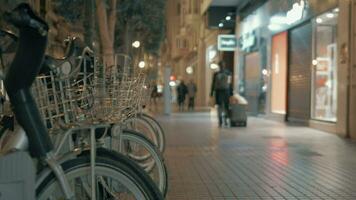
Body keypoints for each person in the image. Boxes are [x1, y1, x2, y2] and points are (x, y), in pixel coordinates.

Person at [210, 61, 233, 127]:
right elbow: (229, 83)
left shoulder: (216, 74)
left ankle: (221, 120)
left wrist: (211, 93)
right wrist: (231, 93)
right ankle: (224, 120)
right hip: (226, 91)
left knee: (221, 106)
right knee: (225, 106)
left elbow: (213, 84)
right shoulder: (228, 73)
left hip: (219, 91)